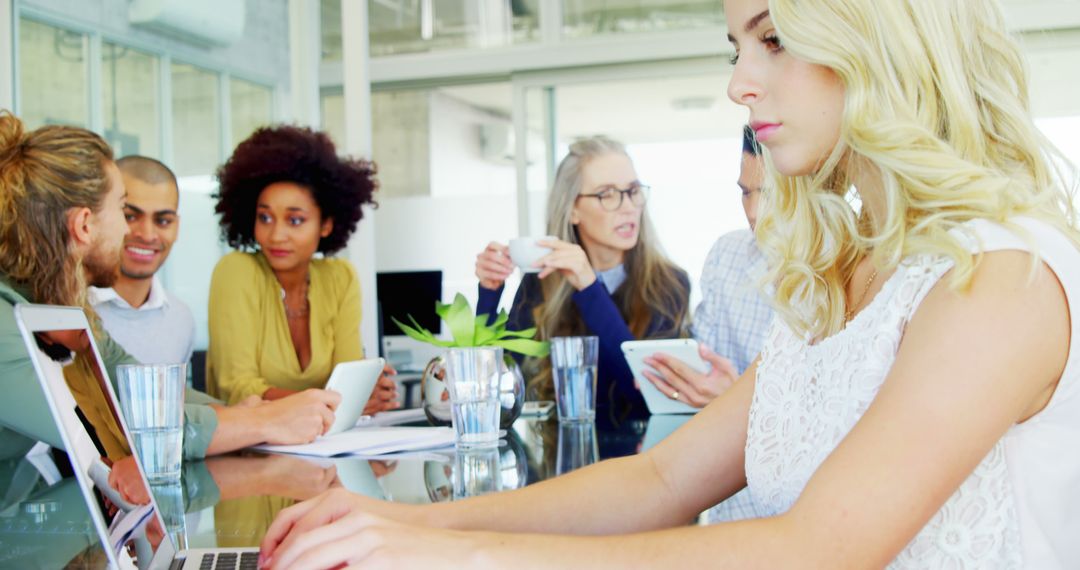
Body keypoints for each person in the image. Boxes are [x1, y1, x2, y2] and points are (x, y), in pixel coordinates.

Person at [258, 0, 1080, 567]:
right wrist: (402, 521)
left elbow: (817, 553)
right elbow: (662, 480)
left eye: (775, 40)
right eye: (737, 49)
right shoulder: (842, 273)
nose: (739, 82)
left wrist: (444, 554)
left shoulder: (1000, 277)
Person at [0, 112, 344, 465]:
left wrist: (239, 413)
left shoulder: (55, 304)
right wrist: (261, 421)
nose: (131, 231)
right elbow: (118, 429)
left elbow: (135, 387)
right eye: (123, 210)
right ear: (84, 225)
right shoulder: (6, 325)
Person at [474, 136, 691, 421]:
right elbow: (495, 389)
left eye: (633, 190)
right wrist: (489, 293)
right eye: (607, 194)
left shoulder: (669, 283)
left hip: (641, 455)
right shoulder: (541, 281)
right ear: (572, 209)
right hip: (559, 456)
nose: (628, 206)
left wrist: (589, 286)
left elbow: (647, 394)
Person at [207, 125, 398, 414]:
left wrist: (368, 391)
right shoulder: (236, 272)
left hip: (321, 446)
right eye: (265, 217)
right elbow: (238, 390)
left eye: (294, 220)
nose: (276, 235)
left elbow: (348, 380)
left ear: (326, 224)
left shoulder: (340, 277)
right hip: (246, 449)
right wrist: (338, 401)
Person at [643, 125, 773, 410]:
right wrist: (678, 377)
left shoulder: (845, 267)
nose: (752, 211)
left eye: (768, 192)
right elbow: (704, 357)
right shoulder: (726, 253)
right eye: (746, 193)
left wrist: (734, 398)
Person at [88, 155, 195, 365]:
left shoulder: (181, 319)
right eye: (129, 216)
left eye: (163, 221)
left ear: (177, 226)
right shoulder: (68, 308)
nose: (147, 235)